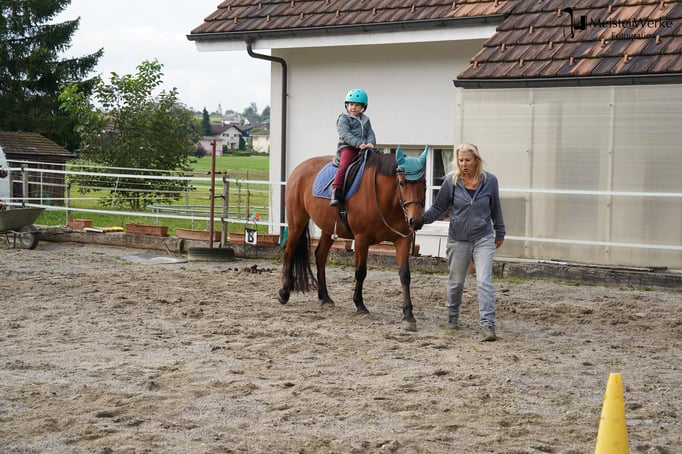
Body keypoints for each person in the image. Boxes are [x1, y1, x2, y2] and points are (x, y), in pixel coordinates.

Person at [423, 143, 505, 341]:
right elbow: (438, 208)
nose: (464, 164)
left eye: (468, 160)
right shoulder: (451, 181)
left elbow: (496, 208)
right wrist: (420, 220)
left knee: (484, 281)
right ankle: (452, 317)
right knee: (456, 282)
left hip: (483, 237)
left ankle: (488, 325)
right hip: (458, 238)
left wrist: (500, 232)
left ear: (476, 160)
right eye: (461, 160)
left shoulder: (490, 181)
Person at [330, 88, 376, 207]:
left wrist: (371, 142)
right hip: (349, 147)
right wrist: (358, 143)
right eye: (351, 104)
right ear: (347, 105)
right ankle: (336, 190)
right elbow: (345, 134)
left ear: (363, 107)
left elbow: (370, 132)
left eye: (357, 105)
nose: (353, 107)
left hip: (364, 148)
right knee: (344, 165)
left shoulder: (365, 120)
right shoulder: (344, 118)